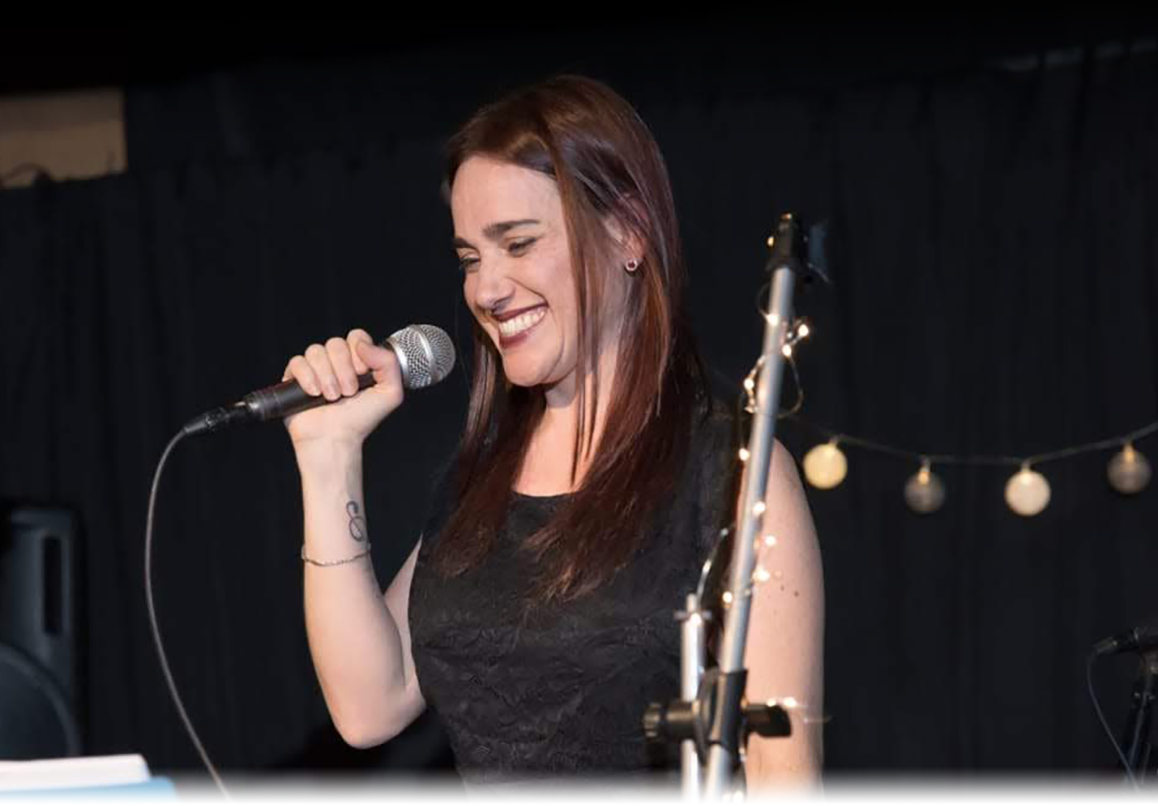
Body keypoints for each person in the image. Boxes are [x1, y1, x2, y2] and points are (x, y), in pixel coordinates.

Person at [279, 75, 823, 792]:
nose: (486, 289)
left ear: (627, 231)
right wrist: (327, 458)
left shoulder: (734, 476)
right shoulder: (482, 482)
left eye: (519, 243)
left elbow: (784, 776)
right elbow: (368, 705)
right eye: (471, 259)